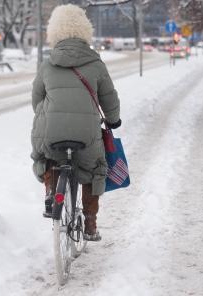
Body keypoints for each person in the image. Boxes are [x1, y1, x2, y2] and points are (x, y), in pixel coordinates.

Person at [30, 4, 121, 242]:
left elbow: (36, 99)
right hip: (86, 134)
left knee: (48, 156)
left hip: (51, 130)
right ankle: (90, 223)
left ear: (54, 32)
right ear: (84, 31)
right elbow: (109, 98)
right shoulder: (95, 63)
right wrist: (114, 120)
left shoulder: (48, 64)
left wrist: (47, 115)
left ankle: (52, 194)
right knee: (94, 168)